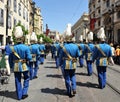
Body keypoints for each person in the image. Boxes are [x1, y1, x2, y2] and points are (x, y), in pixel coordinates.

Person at [9, 26, 32, 100]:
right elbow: (29, 58)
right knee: (26, 78)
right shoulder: (26, 47)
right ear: (22, 38)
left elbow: (10, 59)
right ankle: (24, 93)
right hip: (24, 65)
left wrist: (11, 66)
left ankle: (19, 96)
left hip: (16, 66)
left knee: (17, 80)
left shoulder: (12, 48)